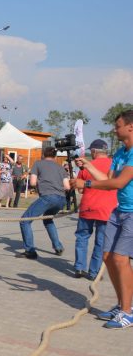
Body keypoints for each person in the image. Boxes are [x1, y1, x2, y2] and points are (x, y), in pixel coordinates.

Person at [72, 110, 133, 328]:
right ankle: (121, 305)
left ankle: (128, 312)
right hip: (118, 211)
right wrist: (88, 167)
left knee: (120, 258)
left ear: (130, 127)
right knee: (107, 256)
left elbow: (118, 184)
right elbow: (107, 179)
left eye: (117, 126)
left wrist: (86, 184)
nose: (114, 130)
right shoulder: (120, 153)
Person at [72, 139, 116, 280]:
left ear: (94, 151)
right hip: (107, 208)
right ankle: (94, 272)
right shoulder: (114, 164)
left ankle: (79, 268)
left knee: (82, 237)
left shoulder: (86, 166)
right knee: (101, 241)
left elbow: (79, 189)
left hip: (88, 206)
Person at [19, 146, 70, 259]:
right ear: (55, 157)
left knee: (24, 221)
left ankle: (30, 251)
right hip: (61, 199)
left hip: (48, 197)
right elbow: (67, 186)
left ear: (43, 155)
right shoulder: (61, 168)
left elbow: (32, 183)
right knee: (48, 219)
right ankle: (58, 246)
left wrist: (41, 182)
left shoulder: (38, 163)